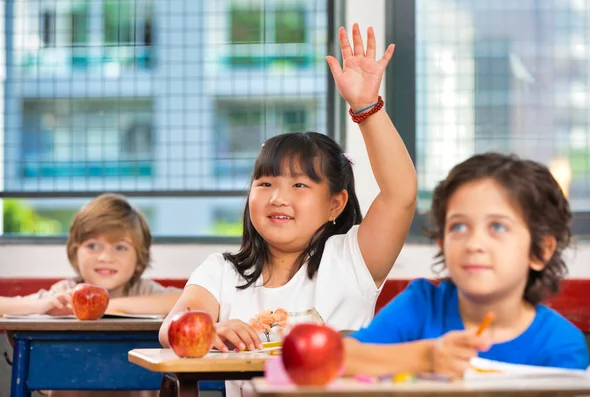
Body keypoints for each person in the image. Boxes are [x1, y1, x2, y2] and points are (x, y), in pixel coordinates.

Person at [159, 24, 417, 397]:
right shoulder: (220, 271)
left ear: (336, 203)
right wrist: (206, 332)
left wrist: (365, 107)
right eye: (265, 184)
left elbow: (401, 194)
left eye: (299, 185)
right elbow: (173, 326)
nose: (277, 198)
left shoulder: (351, 260)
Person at [345, 153, 590, 379]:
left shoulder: (561, 343)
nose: (474, 244)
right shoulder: (421, 305)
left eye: (498, 227)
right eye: (459, 227)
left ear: (541, 250)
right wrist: (424, 358)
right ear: (442, 243)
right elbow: (339, 359)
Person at [0, 193, 181, 316]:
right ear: (74, 253)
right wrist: (42, 306)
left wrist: (105, 307)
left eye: (120, 248)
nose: (105, 258)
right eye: (93, 246)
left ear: (140, 260)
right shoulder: (66, 293)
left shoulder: (144, 291)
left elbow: (186, 301)